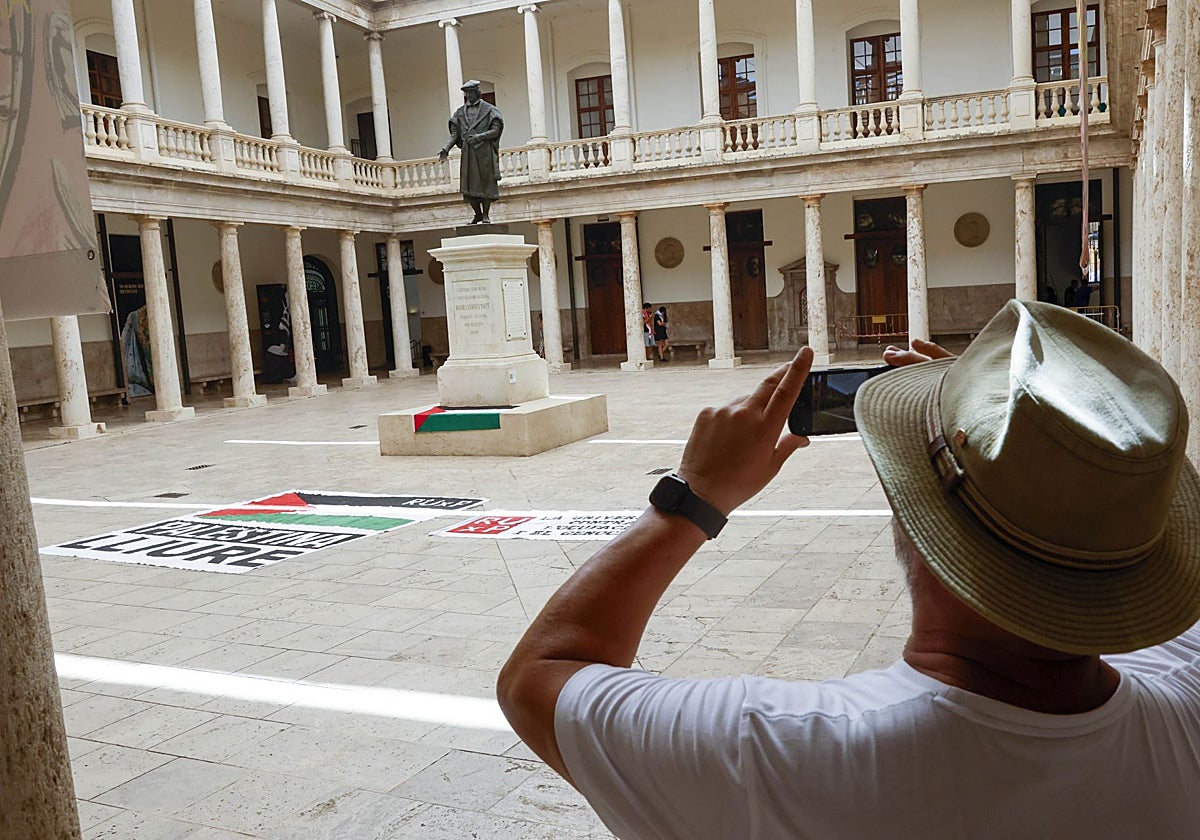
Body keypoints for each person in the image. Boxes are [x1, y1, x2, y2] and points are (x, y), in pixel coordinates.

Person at [497, 299, 1200, 839]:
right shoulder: (1183, 710)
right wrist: (1018, 432)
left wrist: (691, 498)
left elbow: (538, 678)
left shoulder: (785, 756)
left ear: (915, 510)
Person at [438, 81, 504, 225]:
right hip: (468, 154)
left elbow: (495, 130)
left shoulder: (489, 110)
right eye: (466, 93)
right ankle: (477, 214)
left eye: (471, 92)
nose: (469, 95)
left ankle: (485, 215)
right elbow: (455, 135)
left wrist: (480, 137)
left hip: (484, 153)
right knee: (468, 186)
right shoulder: (460, 113)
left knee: (486, 184)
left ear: (477, 92)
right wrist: (445, 149)